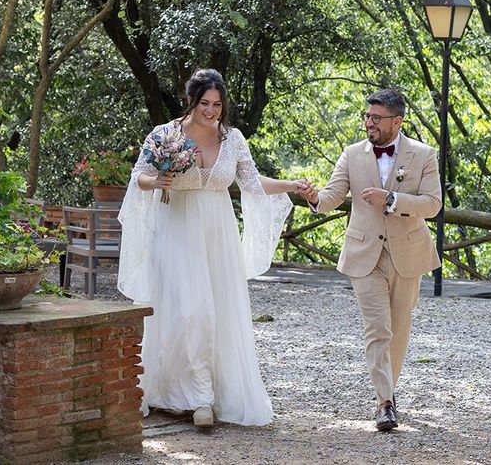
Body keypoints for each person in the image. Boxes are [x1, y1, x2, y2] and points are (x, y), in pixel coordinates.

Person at [117, 68, 305, 427]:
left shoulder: (232, 139)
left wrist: (291, 185)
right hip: (175, 231)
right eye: (205, 103)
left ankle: (203, 396)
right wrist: (157, 179)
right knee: (188, 312)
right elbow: (138, 176)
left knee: (213, 314)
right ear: (191, 101)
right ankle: (191, 395)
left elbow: (251, 181)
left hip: (217, 236)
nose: (212, 110)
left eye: (218, 104)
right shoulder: (164, 135)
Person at [298, 89, 442, 432]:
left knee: (398, 329)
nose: (369, 122)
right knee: (377, 328)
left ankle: (388, 391)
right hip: (364, 255)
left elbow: (433, 204)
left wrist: (391, 198)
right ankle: (385, 402)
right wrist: (315, 198)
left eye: (376, 118)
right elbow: (332, 196)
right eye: (367, 116)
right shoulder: (351, 154)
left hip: (408, 252)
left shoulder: (424, 154)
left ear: (397, 121)